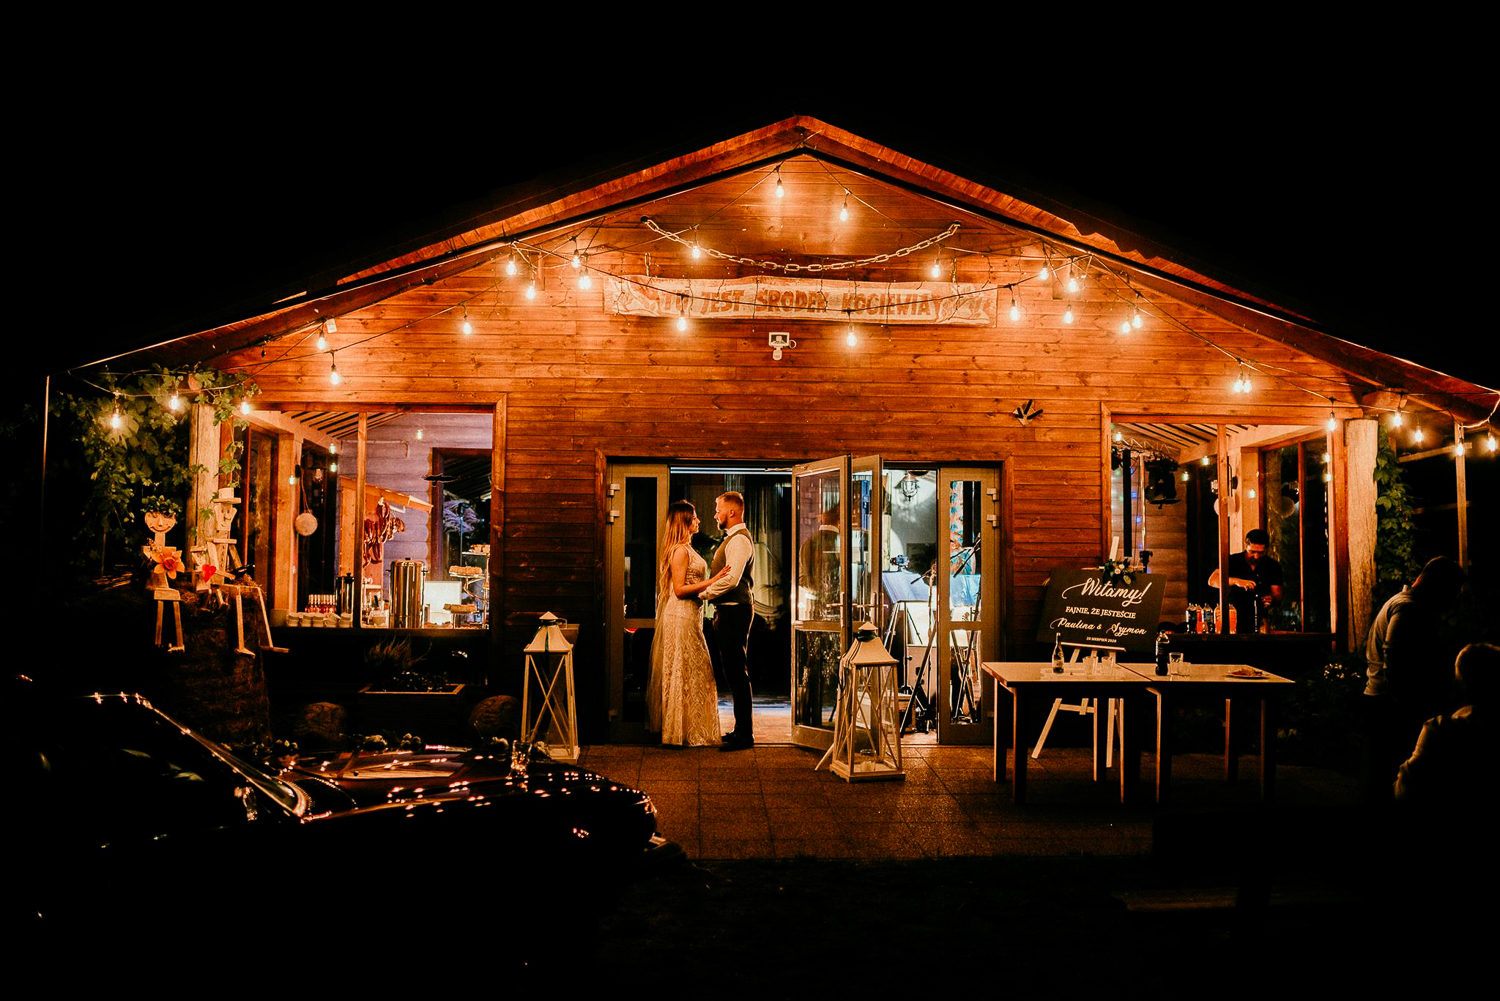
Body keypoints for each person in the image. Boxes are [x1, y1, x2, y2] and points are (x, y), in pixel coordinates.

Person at [1363, 555, 1466, 801]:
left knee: (1382, 775)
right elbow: (1394, 661)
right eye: (1451, 593)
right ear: (1438, 585)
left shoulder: (1400, 603)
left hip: (1384, 703)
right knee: (1393, 778)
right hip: (1391, 708)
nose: (1451, 602)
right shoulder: (1408, 609)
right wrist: (1409, 706)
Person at [645, 501, 729, 747]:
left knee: (694, 671)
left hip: (691, 616)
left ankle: (691, 729)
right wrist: (712, 581)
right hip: (680, 616)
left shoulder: (687, 548)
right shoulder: (680, 551)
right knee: (686, 670)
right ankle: (679, 732)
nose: (698, 521)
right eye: (694, 518)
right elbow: (680, 590)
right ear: (684, 522)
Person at [700, 491, 757, 751]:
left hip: (735, 611)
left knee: (737, 673)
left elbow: (732, 579)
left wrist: (704, 593)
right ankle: (740, 729)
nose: (716, 515)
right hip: (729, 611)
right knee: (733, 672)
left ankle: (745, 735)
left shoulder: (739, 540)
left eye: (719, 510)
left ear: (732, 512)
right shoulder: (733, 539)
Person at [1206, 528, 1283, 633]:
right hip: (1231, 619)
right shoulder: (1232, 561)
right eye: (1252, 552)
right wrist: (1236, 581)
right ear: (1246, 546)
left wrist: (1271, 599)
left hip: (1260, 621)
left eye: (1261, 553)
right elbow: (1212, 580)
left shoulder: (1273, 566)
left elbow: (1277, 595)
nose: (1256, 556)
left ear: (1266, 550)